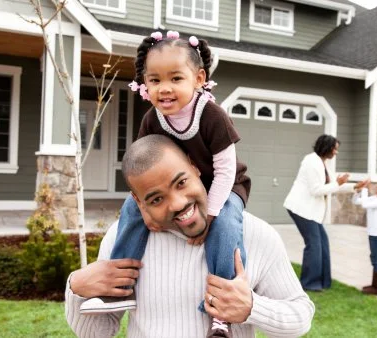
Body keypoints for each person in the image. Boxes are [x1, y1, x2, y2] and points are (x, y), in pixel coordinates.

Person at [80, 30, 252, 337]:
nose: (165, 89)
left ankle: (220, 312)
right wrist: (146, 211)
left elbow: (225, 172)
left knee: (227, 226)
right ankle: (118, 288)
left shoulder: (213, 116)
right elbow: (141, 172)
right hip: (177, 187)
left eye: (176, 78)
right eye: (155, 80)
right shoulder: (152, 120)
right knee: (130, 208)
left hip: (225, 187)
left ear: (199, 79)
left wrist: (210, 213)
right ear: (145, 84)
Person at [65, 135, 315, 338]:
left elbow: (300, 317)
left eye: (181, 182)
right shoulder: (121, 240)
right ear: (139, 204)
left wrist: (252, 307)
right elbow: (96, 333)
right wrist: (76, 289)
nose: (177, 203)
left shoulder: (255, 234)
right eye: (156, 199)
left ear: (195, 167)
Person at [283, 134, 364, 292]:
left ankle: (323, 281)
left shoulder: (322, 163)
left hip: (311, 212)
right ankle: (309, 283)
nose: (336, 152)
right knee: (314, 245)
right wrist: (337, 183)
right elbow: (316, 190)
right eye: (335, 149)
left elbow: (334, 185)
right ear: (326, 147)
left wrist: (355, 187)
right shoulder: (311, 162)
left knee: (322, 243)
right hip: (302, 209)